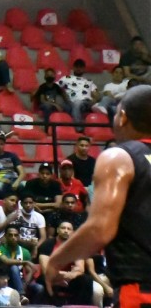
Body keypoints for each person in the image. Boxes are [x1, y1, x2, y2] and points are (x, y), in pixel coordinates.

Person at [46, 85, 151, 307]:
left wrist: (56, 260)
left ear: (122, 117)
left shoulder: (120, 157)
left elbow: (100, 229)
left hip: (141, 289)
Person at [38, 221, 102, 306]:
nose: (66, 231)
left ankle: (78, 306)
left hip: (69, 277)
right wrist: (63, 274)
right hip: (50, 277)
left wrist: (70, 275)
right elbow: (45, 270)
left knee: (86, 280)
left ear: (72, 232)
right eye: (63, 228)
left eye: (69, 229)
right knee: (46, 279)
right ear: (57, 230)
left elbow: (80, 269)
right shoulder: (47, 244)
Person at [58, 59, 101, 127]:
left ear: (84, 69)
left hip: (86, 103)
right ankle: (78, 126)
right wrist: (63, 93)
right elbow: (55, 86)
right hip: (70, 103)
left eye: (81, 67)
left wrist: (95, 99)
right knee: (75, 104)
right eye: (77, 66)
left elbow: (97, 95)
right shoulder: (66, 78)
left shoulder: (89, 81)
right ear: (73, 68)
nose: (78, 68)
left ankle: (78, 127)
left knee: (78, 103)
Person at [0, 130, 25, 198]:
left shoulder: (12, 155)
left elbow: (22, 172)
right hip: (1, 182)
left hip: (14, 180)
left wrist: (17, 182)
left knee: (25, 184)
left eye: (1, 144)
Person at [12, 194, 47, 258]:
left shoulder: (39, 217)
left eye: (30, 203)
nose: (28, 205)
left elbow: (43, 237)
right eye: (25, 203)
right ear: (21, 204)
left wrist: (35, 247)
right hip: (18, 243)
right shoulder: (15, 214)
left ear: (34, 203)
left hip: (33, 245)